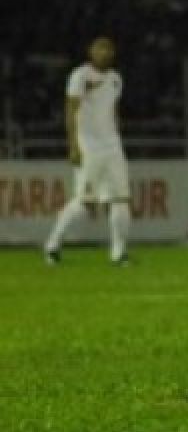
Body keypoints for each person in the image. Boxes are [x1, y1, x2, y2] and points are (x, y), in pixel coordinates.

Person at [44, 36, 132, 265]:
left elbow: (113, 112)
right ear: (90, 51)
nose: (104, 52)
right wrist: (73, 144)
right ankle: (53, 245)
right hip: (88, 145)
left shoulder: (115, 79)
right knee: (84, 203)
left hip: (112, 145)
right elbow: (70, 110)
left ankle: (119, 254)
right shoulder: (80, 76)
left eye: (108, 48)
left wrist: (117, 138)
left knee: (121, 199)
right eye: (100, 47)